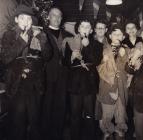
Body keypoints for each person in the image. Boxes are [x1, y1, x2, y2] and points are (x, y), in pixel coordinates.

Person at [1, 5, 52, 140]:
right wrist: (21, 42)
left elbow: (47, 56)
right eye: (22, 18)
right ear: (16, 19)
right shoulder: (9, 35)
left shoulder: (37, 35)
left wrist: (43, 39)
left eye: (29, 19)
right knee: (17, 124)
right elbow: (5, 59)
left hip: (35, 85)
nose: (26, 22)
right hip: (17, 85)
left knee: (35, 123)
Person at [63, 18, 102, 140]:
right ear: (78, 29)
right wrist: (71, 58)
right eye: (82, 26)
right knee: (75, 115)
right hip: (75, 83)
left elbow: (96, 61)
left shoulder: (97, 44)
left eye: (88, 27)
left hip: (90, 83)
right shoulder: (69, 42)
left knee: (89, 115)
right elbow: (64, 63)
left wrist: (88, 46)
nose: (85, 29)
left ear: (91, 30)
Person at [97, 24, 128, 140]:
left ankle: (120, 132)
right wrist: (103, 61)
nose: (117, 36)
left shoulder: (127, 49)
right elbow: (98, 68)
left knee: (121, 115)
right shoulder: (103, 48)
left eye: (119, 34)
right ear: (109, 36)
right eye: (114, 34)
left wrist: (124, 56)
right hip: (107, 87)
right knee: (107, 115)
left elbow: (130, 69)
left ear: (123, 36)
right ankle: (107, 132)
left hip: (121, 88)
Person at [42, 7, 68, 140]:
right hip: (47, 76)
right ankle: (46, 135)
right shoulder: (42, 33)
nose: (57, 18)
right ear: (48, 17)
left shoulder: (67, 35)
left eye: (59, 16)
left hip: (63, 77)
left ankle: (58, 134)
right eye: (54, 15)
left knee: (61, 106)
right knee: (47, 106)